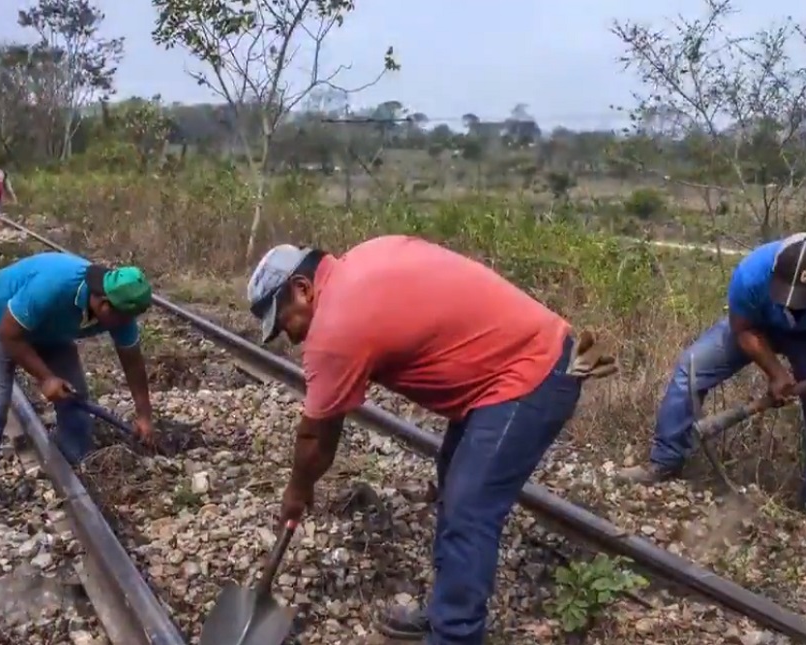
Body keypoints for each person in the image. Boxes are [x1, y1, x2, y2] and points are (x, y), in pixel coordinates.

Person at [247, 235, 612, 645]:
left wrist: (297, 491)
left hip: (530, 374)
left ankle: (454, 635)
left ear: (302, 288)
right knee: (455, 484)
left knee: (469, 508)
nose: (291, 337)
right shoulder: (364, 257)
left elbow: (317, 436)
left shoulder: (334, 325)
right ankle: (448, 612)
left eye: (285, 322)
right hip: (519, 362)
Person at [619, 232, 806, 520]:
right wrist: (776, 373)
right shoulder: (751, 274)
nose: (791, 302)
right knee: (690, 369)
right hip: (759, 327)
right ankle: (665, 462)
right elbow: (742, 330)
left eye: (800, 295)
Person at [0, 251, 159, 516]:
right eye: (124, 319)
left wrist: (144, 415)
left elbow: (132, 361)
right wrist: (46, 378)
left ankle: (74, 466)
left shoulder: (120, 310)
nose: (127, 325)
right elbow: (10, 334)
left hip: (51, 330)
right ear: (104, 305)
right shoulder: (54, 286)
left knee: (75, 400)